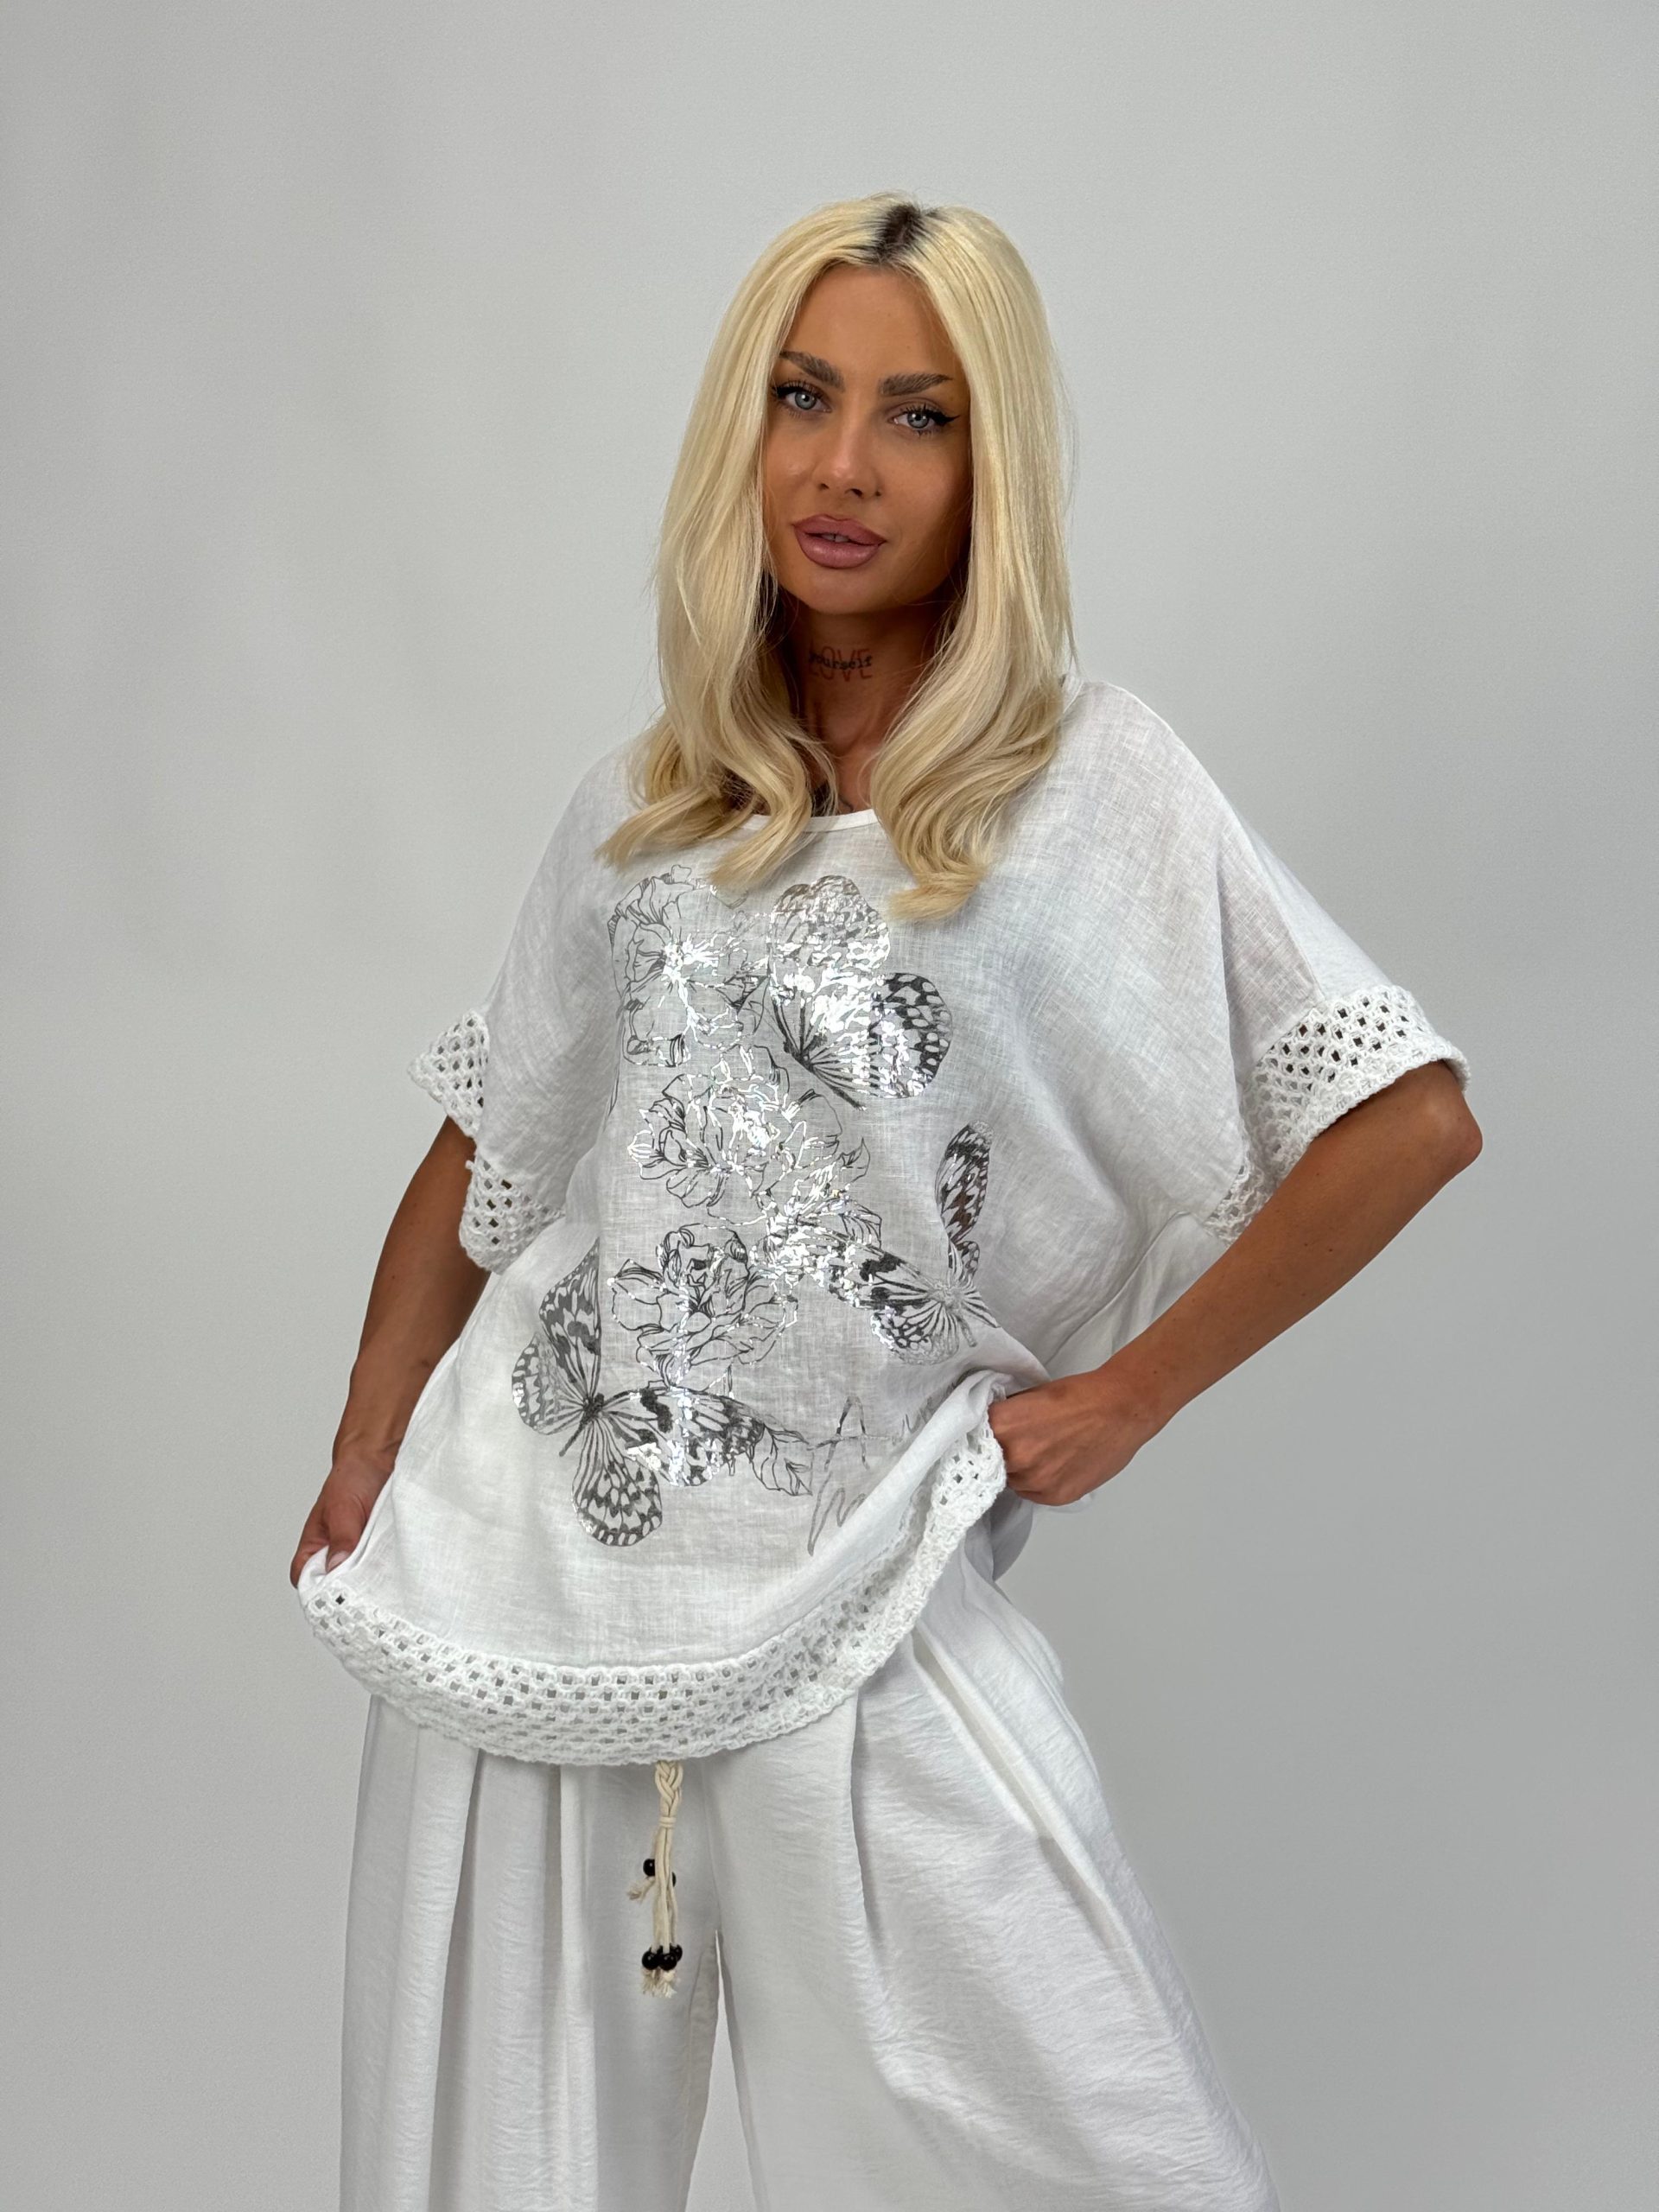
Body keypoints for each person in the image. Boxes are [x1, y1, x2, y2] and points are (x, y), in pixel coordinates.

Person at [290, 192, 1480, 2212]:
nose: (845, 466)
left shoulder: (1093, 786)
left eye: (916, 415)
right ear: (740, 435)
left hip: (865, 1587)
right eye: (803, 398)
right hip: (527, 1582)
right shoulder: (645, 806)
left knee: (1109, 2153)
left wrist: (1135, 1394)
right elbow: (488, 1149)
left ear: (986, 466)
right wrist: (369, 1439)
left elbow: (1406, 1118)